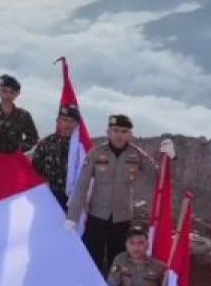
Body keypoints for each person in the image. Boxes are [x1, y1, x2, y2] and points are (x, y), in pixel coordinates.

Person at [66, 114, 173, 275]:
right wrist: (72, 217)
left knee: (117, 262)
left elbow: (160, 176)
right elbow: (82, 186)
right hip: (97, 217)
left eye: (124, 131)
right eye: (115, 130)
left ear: (130, 134)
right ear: (108, 132)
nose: (119, 135)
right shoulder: (95, 154)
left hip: (122, 219)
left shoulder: (136, 155)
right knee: (91, 259)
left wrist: (169, 158)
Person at [31, 104, 82, 210]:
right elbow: (35, 171)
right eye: (64, 120)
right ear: (58, 121)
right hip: (50, 196)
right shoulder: (45, 144)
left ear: (77, 124)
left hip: (75, 198)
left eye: (72, 121)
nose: (68, 124)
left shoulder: (82, 147)